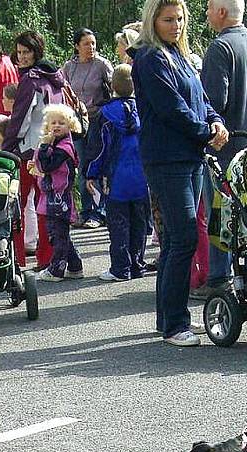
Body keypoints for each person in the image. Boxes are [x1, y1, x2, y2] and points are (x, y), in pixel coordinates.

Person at [131, 0, 228, 347]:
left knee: (175, 239)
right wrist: (207, 131)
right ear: (153, 20)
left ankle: (169, 318)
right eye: (168, 19)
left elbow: (201, 99)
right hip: (166, 159)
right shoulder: (149, 58)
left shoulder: (179, 56)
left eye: (181, 18)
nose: (176, 24)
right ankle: (174, 323)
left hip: (189, 156)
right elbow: (172, 108)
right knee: (184, 237)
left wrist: (215, 121)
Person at [197, 0, 247, 297]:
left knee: (221, 215)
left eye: (207, 9)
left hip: (224, 148)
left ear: (220, 12)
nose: (205, 14)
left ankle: (218, 279)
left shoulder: (219, 49)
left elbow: (214, 102)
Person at [2, 30, 66, 271]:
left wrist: (7, 148)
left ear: (36, 51)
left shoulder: (31, 80)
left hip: (29, 151)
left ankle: (18, 259)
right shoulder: (55, 76)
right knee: (46, 204)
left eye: (26, 51)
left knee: (15, 204)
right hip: (52, 146)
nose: (22, 57)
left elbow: (20, 120)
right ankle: (48, 256)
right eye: (19, 52)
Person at [86, 64, 150, 282]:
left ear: (112, 86)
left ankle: (120, 268)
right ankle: (137, 264)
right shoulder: (145, 108)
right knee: (139, 222)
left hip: (116, 179)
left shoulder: (105, 114)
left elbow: (99, 149)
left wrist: (91, 174)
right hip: (143, 177)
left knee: (118, 224)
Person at [62, 28, 114, 229]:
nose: (91, 47)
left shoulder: (102, 65)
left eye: (93, 43)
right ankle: (85, 210)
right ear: (77, 46)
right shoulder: (69, 67)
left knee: (97, 163)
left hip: (98, 120)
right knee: (82, 165)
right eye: (86, 44)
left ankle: (99, 211)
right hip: (76, 122)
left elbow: (116, 87)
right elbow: (62, 89)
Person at [32, 104, 84, 282]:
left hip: (60, 197)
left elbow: (48, 165)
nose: (56, 126)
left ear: (70, 125)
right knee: (60, 233)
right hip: (52, 196)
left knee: (57, 234)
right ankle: (75, 266)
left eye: (61, 123)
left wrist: (44, 148)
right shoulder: (54, 143)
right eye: (53, 122)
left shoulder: (64, 147)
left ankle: (56, 269)